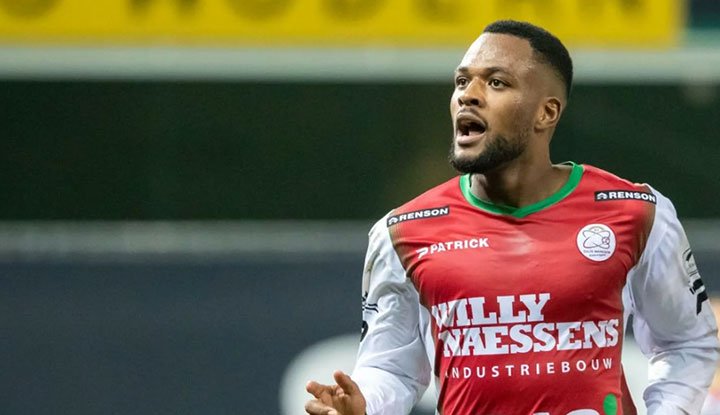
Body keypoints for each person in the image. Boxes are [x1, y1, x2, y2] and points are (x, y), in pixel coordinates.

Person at [304, 20, 720, 415]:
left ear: (546, 112)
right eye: (462, 81)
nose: (468, 95)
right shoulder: (403, 232)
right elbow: (391, 367)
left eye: (496, 82)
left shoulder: (634, 212)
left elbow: (686, 343)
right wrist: (364, 406)